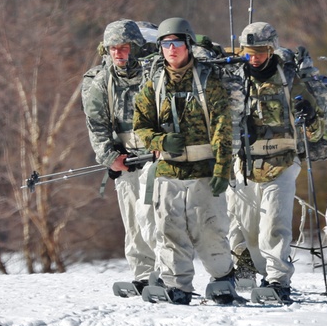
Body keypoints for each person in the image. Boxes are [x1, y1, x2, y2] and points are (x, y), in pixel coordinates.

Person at [133, 17, 236, 305]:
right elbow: (140, 126)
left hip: (204, 170)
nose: (172, 49)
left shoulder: (207, 81)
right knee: (169, 230)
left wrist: (222, 168)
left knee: (210, 228)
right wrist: (160, 142)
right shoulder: (153, 85)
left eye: (177, 43)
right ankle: (176, 284)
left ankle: (223, 277)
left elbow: (222, 127)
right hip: (168, 170)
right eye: (166, 44)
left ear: (188, 45)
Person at [229, 22, 324, 303]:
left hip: (282, 162)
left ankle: (277, 279)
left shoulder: (290, 78)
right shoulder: (233, 78)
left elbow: (317, 130)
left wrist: (309, 116)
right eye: (249, 52)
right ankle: (246, 267)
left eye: (259, 51)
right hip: (245, 162)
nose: (254, 57)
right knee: (244, 224)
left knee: (275, 223)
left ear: (271, 49)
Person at [81, 20, 156, 294]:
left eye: (124, 48)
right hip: (125, 159)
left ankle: (168, 273)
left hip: (155, 157)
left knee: (152, 217)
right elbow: (96, 123)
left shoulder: (154, 75)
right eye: (113, 49)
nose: (119, 54)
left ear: (135, 48)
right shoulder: (101, 81)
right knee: (133, 221)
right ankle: (143, 275)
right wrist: (109, 156)